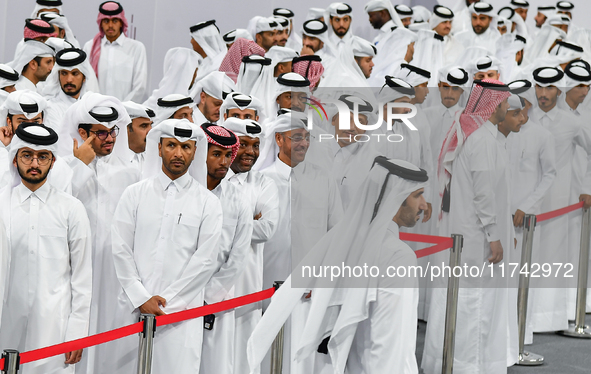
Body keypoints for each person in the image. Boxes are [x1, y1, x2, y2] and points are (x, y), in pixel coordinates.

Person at [248, 157, 429, 374]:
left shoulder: (343, 240)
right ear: (396, 198)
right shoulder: (399, 256)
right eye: (417, 195)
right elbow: (391, 343)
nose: (424, 205)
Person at [111, 118, 222, 373]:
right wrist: (141, 298)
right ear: (159, 147)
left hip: (180, 317)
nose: (178, 153)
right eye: (171, 145)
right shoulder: (134, 194)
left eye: (186, 147)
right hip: (132, 308)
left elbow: (205, 261)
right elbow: (120, 249)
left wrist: (165, 305)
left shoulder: (208, 203)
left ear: (196, 152)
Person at [423, 79, 513, 374]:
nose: (506, 109)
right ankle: (467, 365)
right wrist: (494, 236)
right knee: (473, 300)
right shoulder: (482, 139)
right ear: (494, 105)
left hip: (457, 231)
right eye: (504, 104)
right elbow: (484, 194)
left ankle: (445, 363)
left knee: (454, 296)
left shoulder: (464, 130)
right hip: (474, 237)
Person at [0, 123, 92, 374]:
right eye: (27, 155)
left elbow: (82, 278)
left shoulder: (71, 209)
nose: (34, 163)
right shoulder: (1, 204)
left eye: (43, 157)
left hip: (55, 329)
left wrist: (77, 331)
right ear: (15, 158)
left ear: (52, 162)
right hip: (5, 326)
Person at [61, 92, 140, 374]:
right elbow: (59, 203)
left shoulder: (129, 173)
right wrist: (79, 165)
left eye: (113, 131)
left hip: (114, 272)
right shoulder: (63, 170)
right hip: (73, 270)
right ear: (82, 133)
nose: (110, 139)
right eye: (101, 133)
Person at [259, 111, 343, 374]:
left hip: (311, 286)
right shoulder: (262, 179)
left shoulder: (324, 177)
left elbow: (337, 232)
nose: (304, 143)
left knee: (303, 358)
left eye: (307, 138)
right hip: (266, 284)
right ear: (279, 140)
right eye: (296, 137)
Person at [528, 66, 591, 333]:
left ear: (559, 89)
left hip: (557, 203)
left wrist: (587, 187)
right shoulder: (524, 117)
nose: (543, 94)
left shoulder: (572, 123)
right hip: (526, 201)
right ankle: (524, 319)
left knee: (552, 259)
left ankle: (549, 318)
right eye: (539, 88)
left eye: (550, 88)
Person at [222, 117, 279, 374]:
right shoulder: (213, 179)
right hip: (213, 290)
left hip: (248, 291)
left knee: (245, 359)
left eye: (256, 145)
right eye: (243, 144)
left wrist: (226, 223)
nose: (250, 152)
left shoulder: (264, 183)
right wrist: (247, 221)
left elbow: (266, 229)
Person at [506, 79, 556, 345]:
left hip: (526, 219)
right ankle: (502, 336)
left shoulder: (542, 135)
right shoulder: (501, 131)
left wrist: (527, 206)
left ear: (527, 105)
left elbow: (549, 175)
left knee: (525, 275)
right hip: (501, 215)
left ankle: (521, 336)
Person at [200, 123, 252, 374]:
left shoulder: (238, 198)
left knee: (216, 364)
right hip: (177, 300)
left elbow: (238, 256)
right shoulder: (184, 193)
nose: (224, 162)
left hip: (217, 301)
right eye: (216, 154)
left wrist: (208, 298)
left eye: (227, 155)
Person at [84, 1, 148, 102]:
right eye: (106, 21)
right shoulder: (90, 47)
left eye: (114, 21)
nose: (110, 25)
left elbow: (140, 87)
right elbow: (86, 83)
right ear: (100, 23)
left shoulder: (136, 48)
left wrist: (122, 109)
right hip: (96, 111)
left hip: (127, 113)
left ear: (121, 22)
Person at [43, 48, 99, 138]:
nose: (69, 80)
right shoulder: (50, 108)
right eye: (64, 73)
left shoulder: (92, 106)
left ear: (84, 77)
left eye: (75, 73)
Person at [122, 100, 154, 172]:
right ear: (126, 129)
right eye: (144, 126)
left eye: (151, 125)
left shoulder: (155, 160)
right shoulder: (108, 163)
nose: (150, 131)